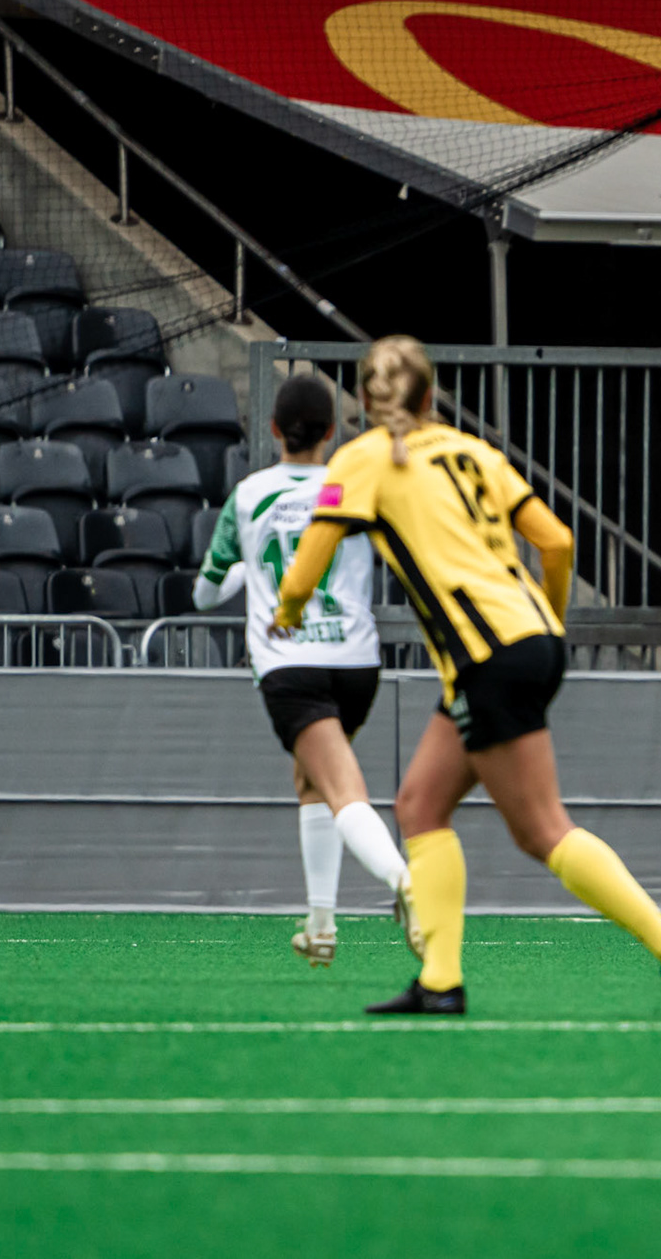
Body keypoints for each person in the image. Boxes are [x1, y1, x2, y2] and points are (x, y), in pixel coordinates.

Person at [273, 335, 661, 1017]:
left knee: (541, 830)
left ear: (364, 399)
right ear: (429, 394)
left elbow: (306, 566)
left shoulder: (360, 460)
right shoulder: (473, 451)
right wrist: (551, 624)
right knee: (420, 805)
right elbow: (558, 541)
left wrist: (286, 614)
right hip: (527, 642)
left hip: (488, 658)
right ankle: (440, 982)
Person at [195, 374, 416, 968]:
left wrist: (249, 572)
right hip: (357, 662)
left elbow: (204, 596)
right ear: (330, 433)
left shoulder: (247, 495)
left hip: (292, 663)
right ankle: (320, 926)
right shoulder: (357, 487)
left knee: (341, 788)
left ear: (272, 430)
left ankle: (408, 884)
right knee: (311, 780)